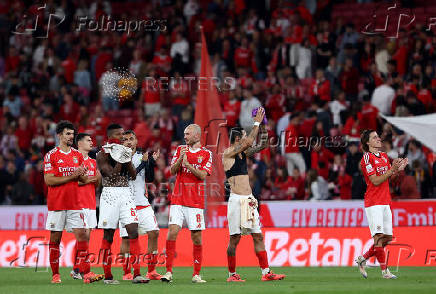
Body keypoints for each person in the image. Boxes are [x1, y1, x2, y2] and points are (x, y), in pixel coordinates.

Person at [223, 107, 285, 282]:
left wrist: (263, 126)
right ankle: (232, 274)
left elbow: (263, 144)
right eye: (242, 136)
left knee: (258, 235)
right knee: (234, 239)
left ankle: (266, 273)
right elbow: (250, 141)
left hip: (249, 200)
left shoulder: (242, 153)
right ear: (237, 138)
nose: (245, 138)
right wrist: (256, 122)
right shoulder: (228, 153)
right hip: (236, 200)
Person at [43, 121, 103, 284]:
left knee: (83, 235)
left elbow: (81, 178)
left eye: (72, 134)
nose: (71, 137)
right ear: (59, 135)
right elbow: (49, 180)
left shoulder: (77, 155)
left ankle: (86, 272)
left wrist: (86, 175)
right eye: (68, 134)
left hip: (75, 204)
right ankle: (56, 274)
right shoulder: (51, 155)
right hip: (57, 203)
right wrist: (74, 175)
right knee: (55, 238)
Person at [96, 124, 149, 284]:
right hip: (110, 194)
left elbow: (132, 175)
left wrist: (126, 157)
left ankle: (137, 273)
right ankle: (108, 276)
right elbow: (110, 175)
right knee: (108, 235)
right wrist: (121, 159)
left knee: (133, 231)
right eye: (121, 135)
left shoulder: (124, 151)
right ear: (113, 135)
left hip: (126, 193)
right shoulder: (102, 153)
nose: (124, 138)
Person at [161, 124, 212, 283]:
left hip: (195, 201)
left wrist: (188, 165)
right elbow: (173, 171)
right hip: (178, 198)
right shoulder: (180, 150)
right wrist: (180, 161)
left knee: (196, 238)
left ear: (197, 136)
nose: (185, 136)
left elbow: (203, 175)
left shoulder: (206, 154)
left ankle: (196, 274)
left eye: (188, 134)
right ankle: (168, 272)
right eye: (184, 134)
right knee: (172, 232)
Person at [355, 129, 408, 279]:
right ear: (368, 142)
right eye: (374, 137)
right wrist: (392, 169)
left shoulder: (384, 156)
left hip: (386, 200)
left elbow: (388, 178)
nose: (378, 139)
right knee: (378, 237)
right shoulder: (366, 158)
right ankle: (385, 272)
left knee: (387, 238)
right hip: (374, 202)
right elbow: (375, 181)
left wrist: (398, 170)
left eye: (378, 136)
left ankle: (362, 259)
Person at [119, 130, 162, 281]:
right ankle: (126, 272)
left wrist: (151, 163)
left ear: (136, 141)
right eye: (125, 140)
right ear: (121, 143)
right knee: (126, 239)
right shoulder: (118, 158)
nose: (129, 142)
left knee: (154, 233)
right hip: (125, 204)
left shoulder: (141, 156)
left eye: (131, 139)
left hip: (143, 203)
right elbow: (128, 176)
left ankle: (151, 270)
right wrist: (144, 163)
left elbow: (149, 178)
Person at [70, 133, 101, 280]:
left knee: (86, 238)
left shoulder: (93, 162)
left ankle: (76, 268)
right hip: (78, 203)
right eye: (88, 140)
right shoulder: (74, 159)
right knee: (84, 235)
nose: (92, 142)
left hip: (90, 203)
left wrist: (97, 179)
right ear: (79, 143)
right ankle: (82, 270)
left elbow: (96, 183)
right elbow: (73, 181)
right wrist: (90, 180)